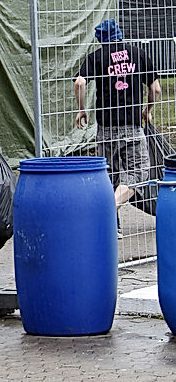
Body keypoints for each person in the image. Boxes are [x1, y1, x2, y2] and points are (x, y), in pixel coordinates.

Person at [74, 18, 161, 229]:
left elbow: (79, 82)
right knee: (138, 172)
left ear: (100, 39)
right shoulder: (138, 54)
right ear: (120, 34)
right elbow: (156, 89)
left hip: (105, 127)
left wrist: (81, 109)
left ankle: (113, 226)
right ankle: (108, 209)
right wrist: (147, 110)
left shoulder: (97, 57)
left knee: (109, 176)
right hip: (131, 126)